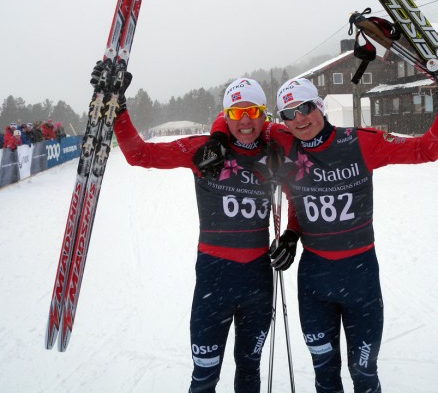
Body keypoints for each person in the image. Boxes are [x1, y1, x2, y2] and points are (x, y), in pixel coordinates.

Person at [201, 77, 438, 393]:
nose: (299, 119)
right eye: (288, 113)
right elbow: (239, 116)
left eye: (305, 107)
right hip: (315, 282)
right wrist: (292, 233)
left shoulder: (360, 142)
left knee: (363, 373)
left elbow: (426, 150)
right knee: (325, 374)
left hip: (360, 279)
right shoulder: (284, 140)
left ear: (319, 106)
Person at [99, 61, 298, 393]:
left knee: (249, 369)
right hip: (213, 280)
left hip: (257, 282)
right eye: (235, 114)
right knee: (204, 376)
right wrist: (117, 108)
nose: (245, 121)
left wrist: (291, 234)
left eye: (252, 111)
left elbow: (299, 197)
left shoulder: (275, 150)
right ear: (226, 116)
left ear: (264, 114)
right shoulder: (204, 150)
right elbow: (140, 155)